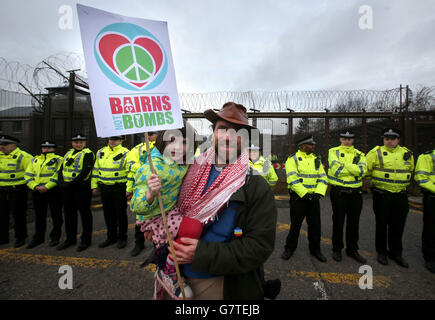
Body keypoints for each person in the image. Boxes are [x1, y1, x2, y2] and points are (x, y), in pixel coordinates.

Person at [167, 102, 277, 300]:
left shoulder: (255, 186)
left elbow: (259, 247)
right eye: (223, 129)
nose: (228, 137)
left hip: (215, 282)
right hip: (173, 273)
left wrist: (201, 254)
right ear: (213, 133)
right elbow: (168, 209)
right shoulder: (187, 170)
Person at [131, 122, 197, 300]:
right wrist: (150, 194)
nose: (177, 147)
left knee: (185, 233)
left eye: (184, 142)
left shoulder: (184, 163)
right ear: (162, 142)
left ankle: (162, 272)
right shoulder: (150, 169)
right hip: (153, 216)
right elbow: (135, 206)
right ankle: (167, 272)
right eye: (172, 140)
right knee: (187, 230)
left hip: (170, 212)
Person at [366, 128, 414, 268]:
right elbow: (366, 169)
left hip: (400, 195)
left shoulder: (407, 153)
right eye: (387, 138)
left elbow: (410, 170)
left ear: (398, 140)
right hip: (382, 195)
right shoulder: (376, 152)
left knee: (398, 226)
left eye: (392, 138)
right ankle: (381, 252)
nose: (389, 141)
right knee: (382, 225)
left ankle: (396, 253)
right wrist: (372, 186)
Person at [282, 135, 328, 263]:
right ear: (302, 146)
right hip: (299, 198)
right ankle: (289, 248)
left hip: (314, 198)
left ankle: (315, 250)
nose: (313, 146)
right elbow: (292, 178)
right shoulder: (293, 159)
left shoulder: (316, 159)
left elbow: (323, 178)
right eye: (310, 144)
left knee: (315, 226)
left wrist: (318, 193)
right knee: (295, 225)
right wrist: (305, 194)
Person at [327, 130, 367, 263]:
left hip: (355, 193)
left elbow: (362, 172)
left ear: (353, 140)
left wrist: (345, 165)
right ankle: (336, 249)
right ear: (340, 139)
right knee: (338, 221)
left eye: (349, 139)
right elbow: (336, 170)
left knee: (353, 223)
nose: (347, 141)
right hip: (339, 192)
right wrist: (353, 168)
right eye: (344, 138)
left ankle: (352, 250)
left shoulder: (360, 154)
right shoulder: (333, 152)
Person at [57, 133, 95, 252]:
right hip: (68, 189)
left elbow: (85, 171)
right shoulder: (68, 153)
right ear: (72, 143)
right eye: (76, 142)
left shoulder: (88, 154)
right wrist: (61, 181)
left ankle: (86, 240)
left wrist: (71, 183)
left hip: (81, 188)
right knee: (69, 215)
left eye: (81, 142)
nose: (78, 144)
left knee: (85, 215)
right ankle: (70, 239)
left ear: (85, 143)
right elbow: (61, 169)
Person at [91, 136, 130, 249]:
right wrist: (94, 186)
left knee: (120, 214)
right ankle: (111, 237)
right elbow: (96, 170)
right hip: (105, 188)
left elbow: (129, 171)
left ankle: (122, 237)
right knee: (108, 214)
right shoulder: (101, 151)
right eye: (111, 139)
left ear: (121, 141)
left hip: (119, 188)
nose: (112, 141)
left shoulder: (126, 152)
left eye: (115, 139)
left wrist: (129, 189)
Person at [25, 140, 64, 248]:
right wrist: (34, 186)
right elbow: (28, 175)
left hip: (53, 191)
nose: (46, 150)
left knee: (56, 215)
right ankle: (38, 237)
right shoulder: (34, 160)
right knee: (39, 216)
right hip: (37, 191)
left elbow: (58, 175)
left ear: (54, 149)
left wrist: (47, 187)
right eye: (44, 148)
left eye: (49, 148)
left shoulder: (58, 160)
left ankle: (55, 236)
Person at [126, 131, 158, 257]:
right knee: (140, 218)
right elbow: (130, 167)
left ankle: (157, 247)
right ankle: (138, 244)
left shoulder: (163, 146)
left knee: (159, 220)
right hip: (141, 188)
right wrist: (129, 188)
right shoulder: (136, 149)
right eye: (148, 134)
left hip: (159, 186)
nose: (150, 136)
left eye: (152, 134)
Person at [0, 135, 33, 247]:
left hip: (17, 189)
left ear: (14, 145)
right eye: (1, 144)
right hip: (2, 190)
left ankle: (20, 237)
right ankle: (3, 237)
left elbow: (31, 172)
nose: (2, 146)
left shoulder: (24, 157)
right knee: (2, 214)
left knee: (18, 214)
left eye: (5, 144)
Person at [414, 148, 435, 273]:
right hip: (432, 197)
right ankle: (430, 257)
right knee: (431, 229)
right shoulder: (427, 157)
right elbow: (421, 178)